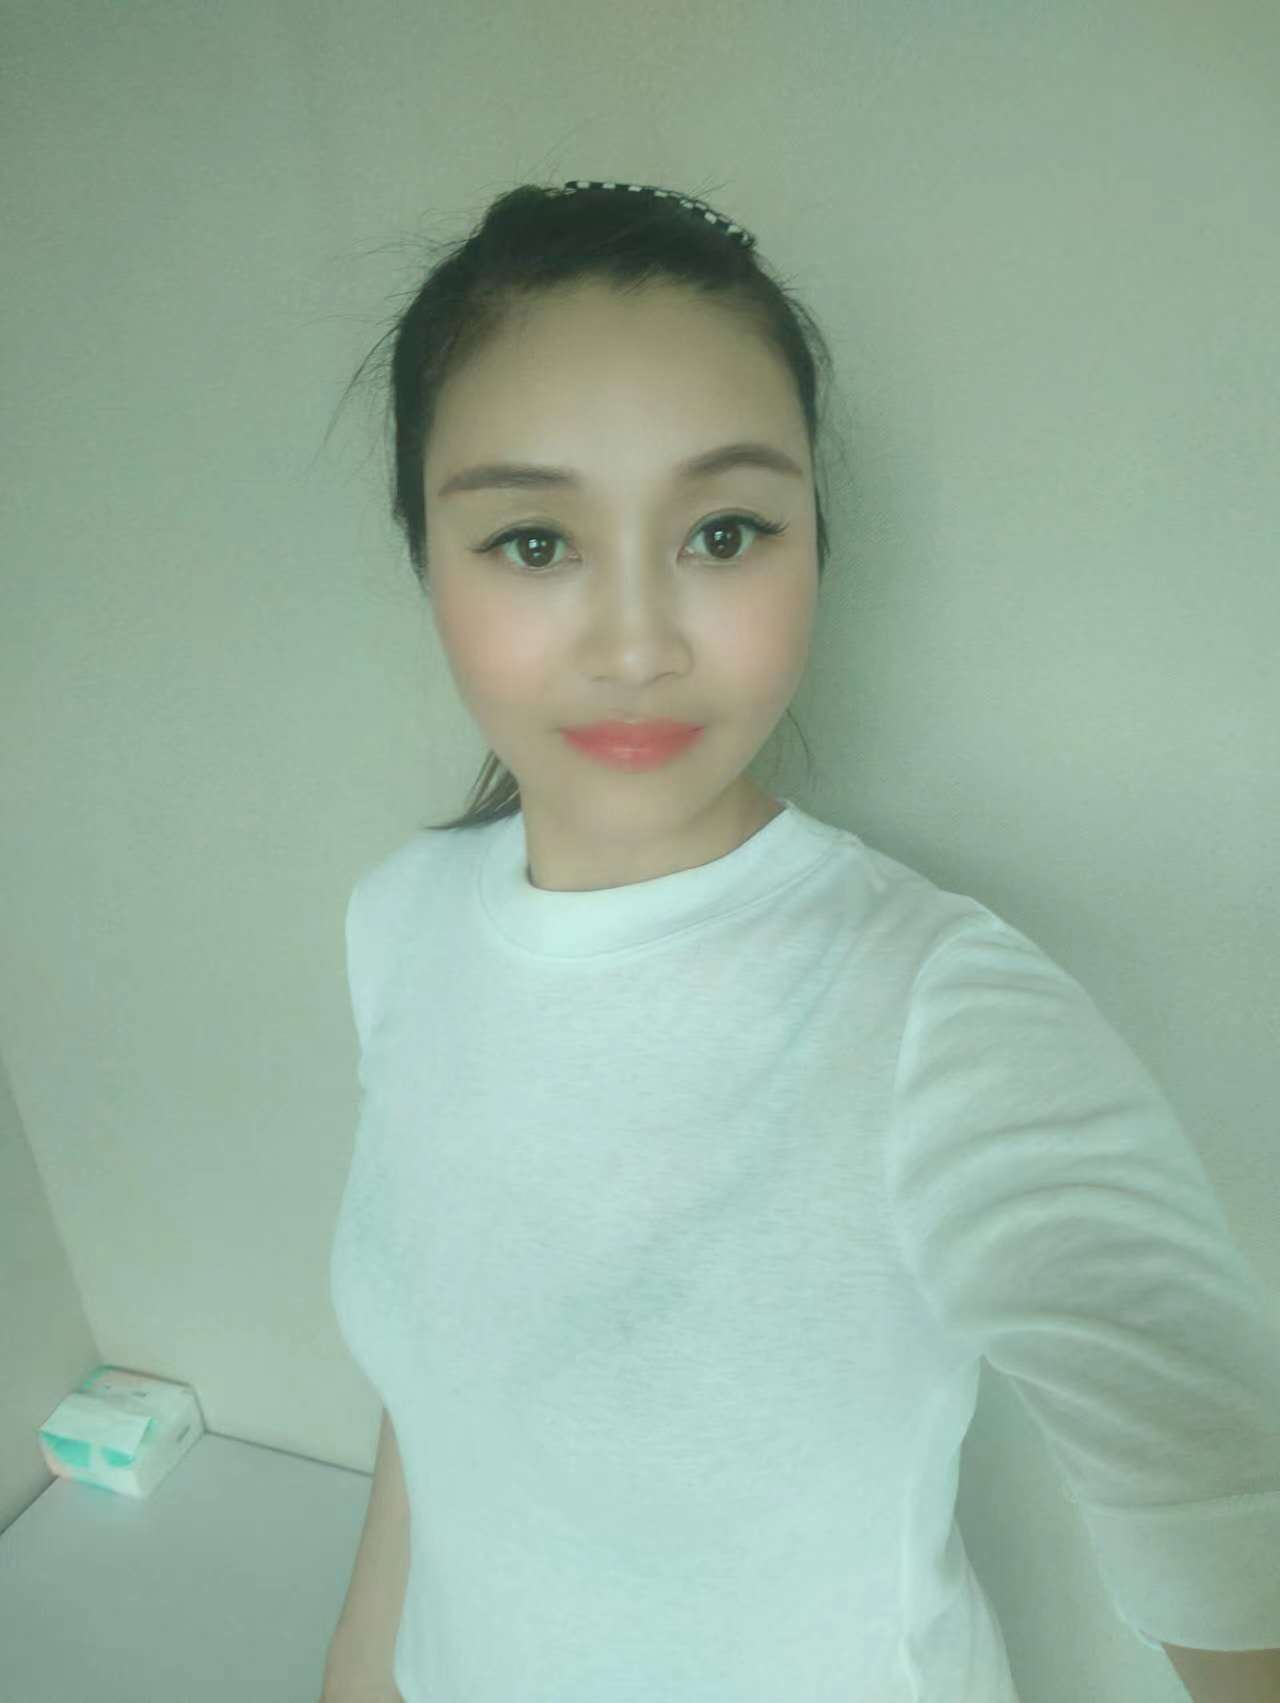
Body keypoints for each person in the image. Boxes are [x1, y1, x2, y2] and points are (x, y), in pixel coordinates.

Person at [323, 181, 1280, 1703]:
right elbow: (441, 1412)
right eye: (532, 540)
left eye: (723, 532)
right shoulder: (401, 923)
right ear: (423, 559)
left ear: (813, 548)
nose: (636, 643)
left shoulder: (938, 1014)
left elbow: (1233, 1528)